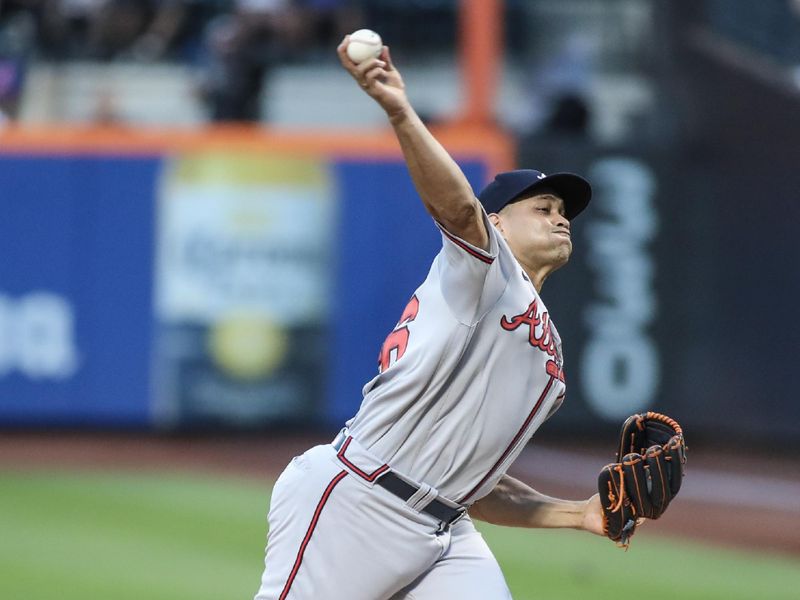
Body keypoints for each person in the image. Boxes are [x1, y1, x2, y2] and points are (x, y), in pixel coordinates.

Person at [253, 35, 605, 600]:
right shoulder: (486, 273)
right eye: (542, 208)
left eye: (564, 213)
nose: (560, 219)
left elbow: (476, 487)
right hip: (358, 500)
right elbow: (459, 208)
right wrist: (399, 110)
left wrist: (579, 513)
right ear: (498, 224)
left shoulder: (552, 360)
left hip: (445, 528)